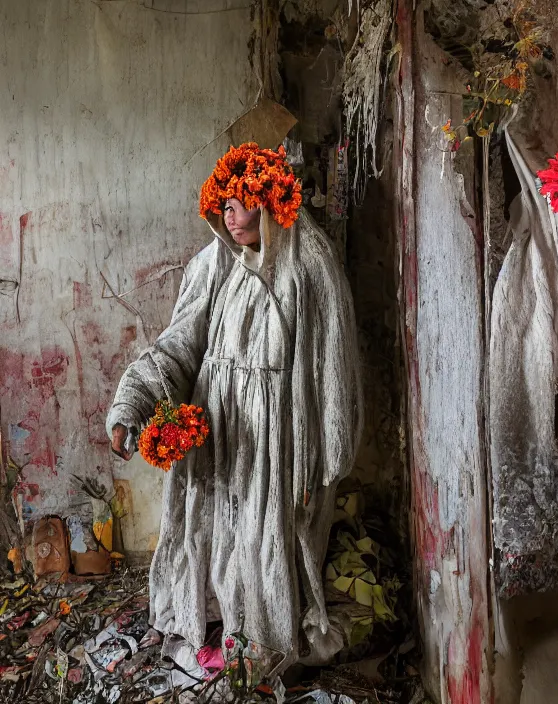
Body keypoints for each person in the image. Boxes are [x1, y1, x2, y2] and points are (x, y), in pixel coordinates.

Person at [106, 143, 363, 681]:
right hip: (218, 430)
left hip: (275, 441)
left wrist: (321, 461)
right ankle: (211, 625)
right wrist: (133, 404)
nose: (230, 215)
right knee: (210, 533)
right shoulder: (215, 263)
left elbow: (331, 371)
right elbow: (178, 343)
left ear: (271, 201)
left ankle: (257, 640)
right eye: (223, 203)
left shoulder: (308, 268)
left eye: (242, 202)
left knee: (262, 543)